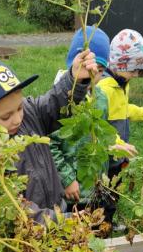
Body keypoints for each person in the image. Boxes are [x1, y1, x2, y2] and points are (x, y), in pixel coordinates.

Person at [0, 49, 97, 223]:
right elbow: (14, 208)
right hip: (32, 232)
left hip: (57, 209)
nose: (17, 119)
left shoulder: (30, 113)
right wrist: (62, 221)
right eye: (5, 117)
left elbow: (54, 102)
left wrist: (76, 79)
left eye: (19, 108)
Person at [50, 26, 132, 210]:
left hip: (96, 185)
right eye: (87, 67)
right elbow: (51, 144)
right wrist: (68, 179)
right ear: (74, 62)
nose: (93, 74)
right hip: (72, 192)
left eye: (100, 69)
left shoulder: (101, 97)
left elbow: (102, 135)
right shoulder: (60, 100)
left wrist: (114, 149)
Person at [96, 29, 143, 221]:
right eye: (133, 70)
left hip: (118, 155)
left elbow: (123, 108)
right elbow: (98, 125)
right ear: (119, 63)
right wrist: (118, 143)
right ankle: (100, 226)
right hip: (104, 157)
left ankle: (108, 219)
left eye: (138, 70)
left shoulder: (121, 82)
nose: (136, 75)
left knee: (115, 189)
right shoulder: (104, 89)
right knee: (104, 192)